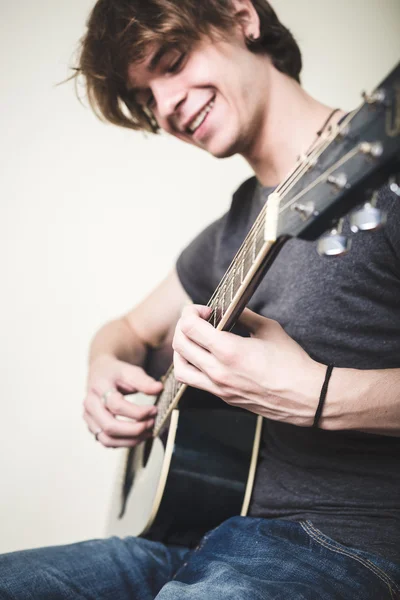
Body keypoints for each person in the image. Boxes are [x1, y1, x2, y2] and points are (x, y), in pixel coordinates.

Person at [1, 0, 400, 598]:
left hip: (347, 545)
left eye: (174, 61)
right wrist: (103, 367)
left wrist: (314, 393)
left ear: (243, 18)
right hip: (191, 537)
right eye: (146, 98)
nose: (165, 108)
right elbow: (125, 330)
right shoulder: (233, 227)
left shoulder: (374, 170)